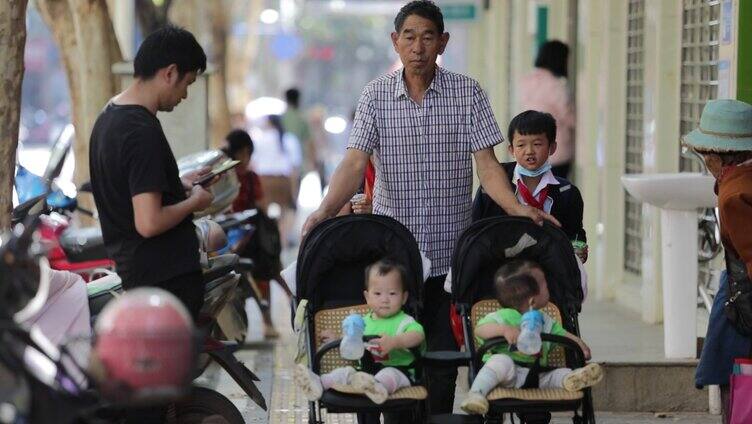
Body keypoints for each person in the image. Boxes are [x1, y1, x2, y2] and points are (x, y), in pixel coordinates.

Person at [302, 1, 558, 415]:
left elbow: (489, 167)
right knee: (387, 353)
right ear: (395, 42)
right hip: (392, 260)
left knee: (441, 359)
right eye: (409, 36)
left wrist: (518, 208)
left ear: (443, 41)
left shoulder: (467, 92)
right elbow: (354, 164)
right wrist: (323, 210)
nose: (417, 46)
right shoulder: (375, 95)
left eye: (426, 36)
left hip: (449, 256)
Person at [89, 26, 212, 321]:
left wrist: (177, 184)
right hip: (164, 279)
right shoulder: (140, 131)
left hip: (137, 273)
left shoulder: (110, 115)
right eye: (187, 83)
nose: (184, 95)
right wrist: (196, 201)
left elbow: (131, 186)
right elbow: (149, 222)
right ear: (169, 73)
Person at [460, 260, 603, 415]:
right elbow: (480, 330)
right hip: (508, 376)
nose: (548, 286)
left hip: (537, 375)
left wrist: (581, 346)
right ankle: (476, 394)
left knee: (556, 374)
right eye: (544, 285)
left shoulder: (545, 320)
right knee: (500, 362)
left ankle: (572, 378)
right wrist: (504, 330)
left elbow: (564, 335)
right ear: (533, 301)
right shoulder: (502, 317)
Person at [687, 99, 752, 423]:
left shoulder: (733, 196)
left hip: (743, 295)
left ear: (714, 156)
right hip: (738, 287)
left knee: (730, 371)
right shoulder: (741, 181)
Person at [294, 259, 425, 405]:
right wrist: (336, 339)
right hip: (362, 374)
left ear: (404, 297)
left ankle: (378, 387)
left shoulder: (404, 321)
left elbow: (418, 335)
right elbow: (351, 343)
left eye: (392, 293)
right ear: (367, 297)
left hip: (400, 370)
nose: (385, 299)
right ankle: (318, 383)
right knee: (345, 372)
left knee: (390, 375)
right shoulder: (362, 323)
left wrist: (395, 341)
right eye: (377, 293)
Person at [472, 110, 587, 262]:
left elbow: (575, 236)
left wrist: (579, 249)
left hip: (549, 275)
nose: (529, 151)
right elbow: (475, 231)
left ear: (552, 148)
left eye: (537, 144)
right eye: (521, 145)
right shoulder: (494, 186)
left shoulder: (567, 193)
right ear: (511, 150)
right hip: (499, 272)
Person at [222, 129, 280, 338]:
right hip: (252, 240)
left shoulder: (221, 175)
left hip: (227, 238)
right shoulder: (249, 177)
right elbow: (261, 204)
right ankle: (268, 323)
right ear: (244, 152)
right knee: (263, 278)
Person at [518, 40, 575, 179]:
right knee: (556, 195)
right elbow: (570, 118)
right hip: (556, 153)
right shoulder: (556, 86)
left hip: (528, 150)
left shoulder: (526, 81)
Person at [252, 114, 302, 247]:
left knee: (264, 213)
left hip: (263, 181)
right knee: (285, 212)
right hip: (282, 181)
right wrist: (294, 188)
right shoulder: (289, 139)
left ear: (269, 123)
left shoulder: (259, 139)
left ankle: (268, 243)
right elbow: (294, 166)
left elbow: (253, 163)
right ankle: (283, 241)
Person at [282, 88, 315, 174]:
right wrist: (312, 162)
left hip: (283, 164)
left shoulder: (281, 118)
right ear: (298, 99)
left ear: (286, 99)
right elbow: (310, 142)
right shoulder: (302, 118)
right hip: (299, 163)